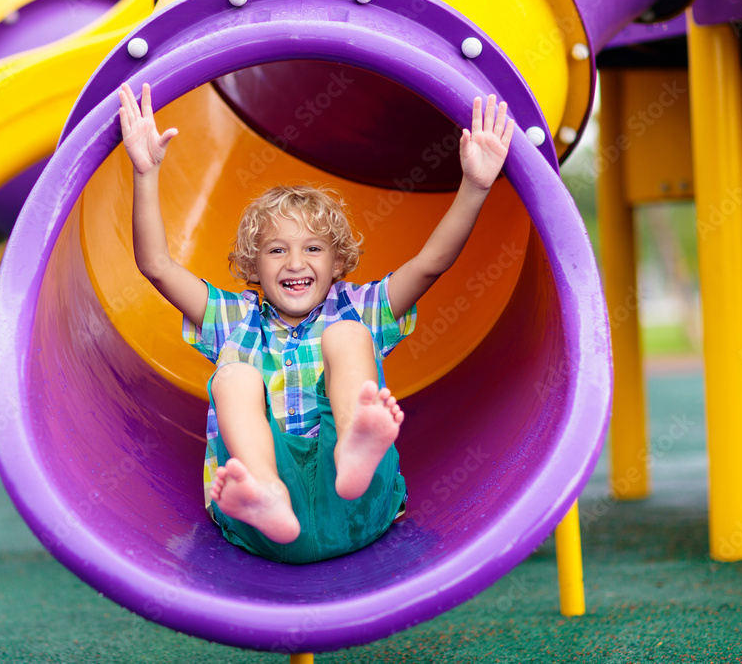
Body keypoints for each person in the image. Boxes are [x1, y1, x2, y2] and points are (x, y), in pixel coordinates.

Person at [118, 82, 514, 563]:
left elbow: (431, 262)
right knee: (235, 375)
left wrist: (475, 185)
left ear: (336, 261)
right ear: (253, 265)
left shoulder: (358, 307)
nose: (294, 262)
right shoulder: (232, 318)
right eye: (276, 250)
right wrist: (145, 172)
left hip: (357, 500)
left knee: (348, 336)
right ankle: (264, 487)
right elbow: (157, 265)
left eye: (312, 248)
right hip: (265, 521)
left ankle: (353, 445)